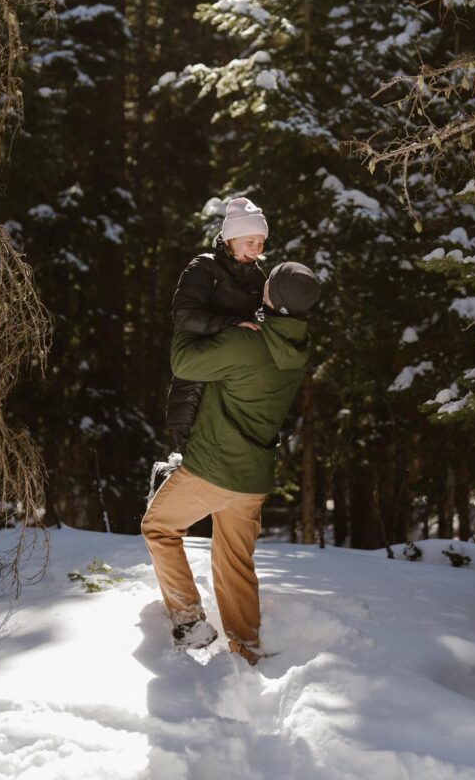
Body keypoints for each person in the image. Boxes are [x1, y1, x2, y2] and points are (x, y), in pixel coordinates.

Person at [142, 261, 320, 664]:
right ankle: (245, 648)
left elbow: (183, 363)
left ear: (274, 299)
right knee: (234, 562)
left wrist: (198, 318)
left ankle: (190, 623)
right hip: (252, 476)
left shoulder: (249, 344)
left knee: (158, 528)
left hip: (212, 467)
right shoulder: (298, 347)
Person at [148, 197, 269, 500]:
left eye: (262, 242)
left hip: (231, 373)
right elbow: (184, 315)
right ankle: (166, 483)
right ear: (230, 238)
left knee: (220, 455)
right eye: (250, 240)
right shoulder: (204, 267)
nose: (257, 248)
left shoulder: (257, 277)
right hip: (199, 363)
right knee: (194, 447)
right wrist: (230, 325)